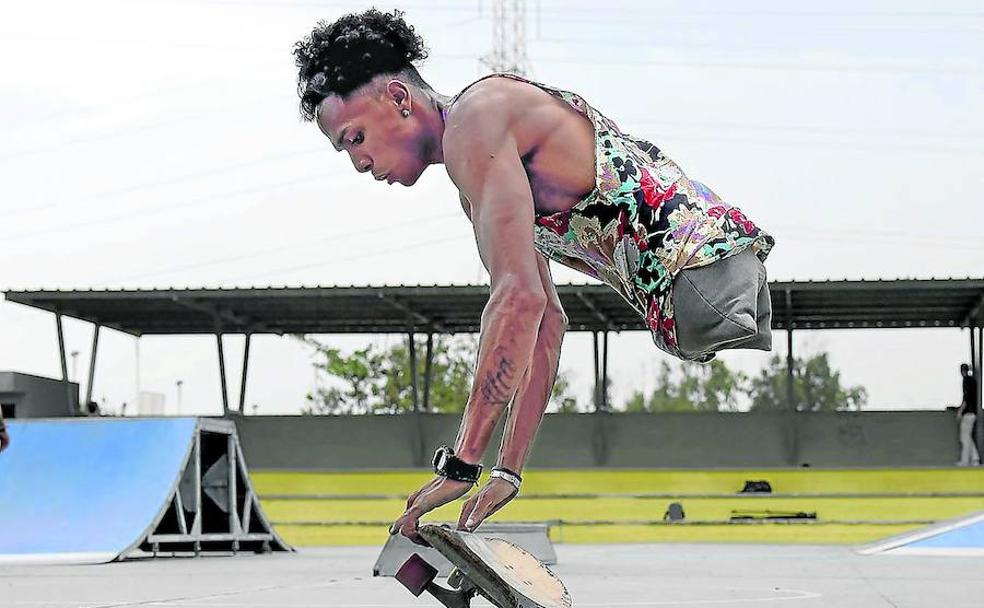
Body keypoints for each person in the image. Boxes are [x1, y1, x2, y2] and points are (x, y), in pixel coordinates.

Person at [292, 9, 775, 544]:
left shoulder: (478, 120)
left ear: (400, 100)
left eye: (355, 137)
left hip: (703, 276)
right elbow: (545, 322)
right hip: (699, 289)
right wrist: (506, 470)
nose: (359, 163)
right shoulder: (478, 170)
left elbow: (516, 300)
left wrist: (462, 463)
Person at [957, 363, 980, 466]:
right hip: (973, 413)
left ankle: (965, 460)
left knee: (964, 437)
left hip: (967, 413)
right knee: (968, 436)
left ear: (962, 371)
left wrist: (960, 411)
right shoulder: (973, 381)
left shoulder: (966, 381)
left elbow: (966, 398)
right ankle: (975, 459)